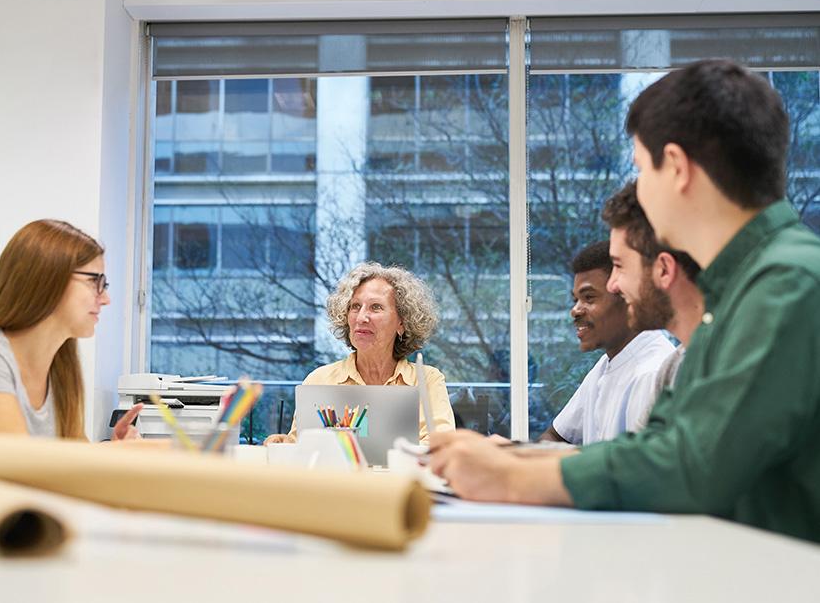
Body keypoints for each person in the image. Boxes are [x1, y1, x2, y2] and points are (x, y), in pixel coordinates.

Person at [429, 59, 820, 544]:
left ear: (676, 167)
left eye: (641, 169)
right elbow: (660, 445)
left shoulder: (788, 282)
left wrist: (509, 476)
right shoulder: (742, 290)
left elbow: (691, 465)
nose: (640, 191)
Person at [0, 219, 142, 441]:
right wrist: (111, 458)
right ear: (48, 279)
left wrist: (114, 450)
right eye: (95, 281)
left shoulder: (61, 367)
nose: (106, 299)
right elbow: (19, 464)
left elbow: (73, 458)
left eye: (104, 285)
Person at [265, 262, 455, 445]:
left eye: (376, 307)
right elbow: (302, 448)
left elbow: (440, 446)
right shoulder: (320, 379)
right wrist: (284, 443)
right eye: (355, 307)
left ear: (402, 323)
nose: (361, 318)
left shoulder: (427, 380)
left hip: (401, 478)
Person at [539, 241, 674, 444]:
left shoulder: (652, 372)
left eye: (589, 298)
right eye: (575, 299)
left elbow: (633, 470)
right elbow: (555, 436)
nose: (575, 310)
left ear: (626, 296)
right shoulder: (607, 363)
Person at [602, 181, 704, 428]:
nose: (611, 285)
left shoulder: (724, 371)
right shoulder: (675, 367)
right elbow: (635, 461)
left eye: (618, 266)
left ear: (664, 270)